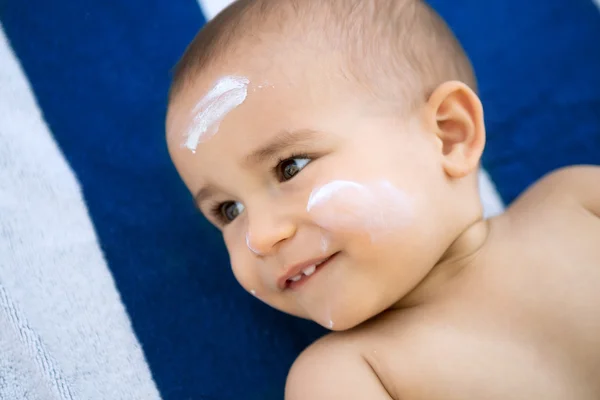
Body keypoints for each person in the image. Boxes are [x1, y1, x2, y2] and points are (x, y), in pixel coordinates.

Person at [165, 0, 600, 398]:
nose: (259, 237)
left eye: (291, 167)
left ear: (449, 135)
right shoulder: (348, 374)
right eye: (229, 211)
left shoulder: (576, 200)